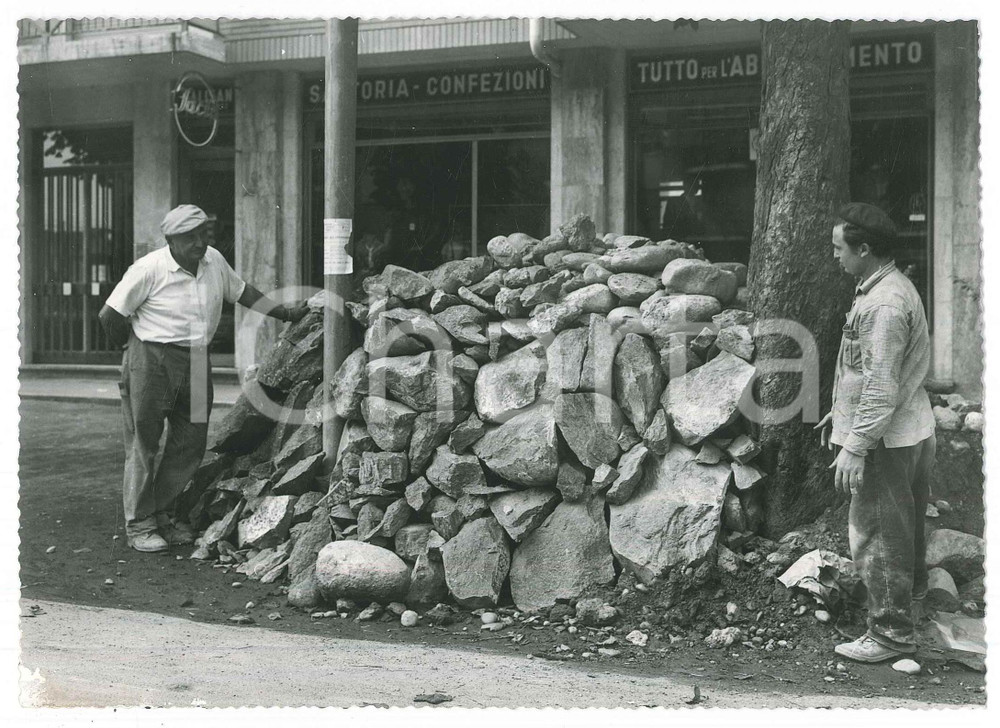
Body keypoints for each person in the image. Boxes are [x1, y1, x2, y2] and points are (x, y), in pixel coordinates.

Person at [99, 205, 308, 553]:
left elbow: (243, 292)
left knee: (190, 442)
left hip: (196, 363)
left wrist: (286, 313)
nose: (199, 243)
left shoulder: (213, 261)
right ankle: (140, 525)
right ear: (171, 240)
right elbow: (110, 314)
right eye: (189, 237)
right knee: (144, 444)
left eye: (203, 234)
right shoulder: (149, 268)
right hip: (152, 361)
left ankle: (163, 515)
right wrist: (128, 349)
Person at [815, 202, 936, 663]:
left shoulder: (884, 303)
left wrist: (856, 444)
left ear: (864, 248)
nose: (834, 256)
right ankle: (913, 611)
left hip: (886, 439)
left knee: (879, 533)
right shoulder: (884, 286)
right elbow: (866, 374)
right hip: (908, 428)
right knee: (904, 528)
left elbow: (882, 386)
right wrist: (840, 414)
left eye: (838, 248)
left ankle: (889, 636)